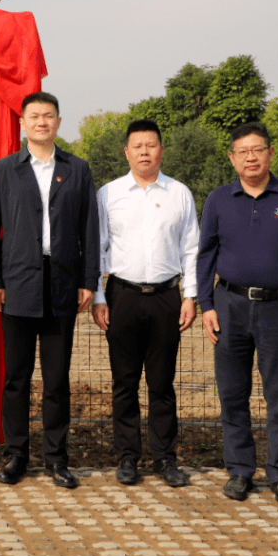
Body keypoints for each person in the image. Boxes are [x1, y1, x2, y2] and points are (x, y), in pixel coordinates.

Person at [198, 121, 278, 506]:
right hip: (229, 307)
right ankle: (239, 470)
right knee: (232, 395)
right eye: (242, 151)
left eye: (258, 149)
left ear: (271, 154)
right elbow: (205, 257)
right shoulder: (218, 200)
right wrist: (206, 305)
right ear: (232, 158)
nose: (251, 157)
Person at [0, 91, 99, 488]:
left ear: (58, 123)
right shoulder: (5, 170)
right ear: (23, 123)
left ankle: (56, 459)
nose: (41, 122)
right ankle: (16, 455)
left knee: (57, 378)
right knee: (16, 378)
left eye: (49, 116)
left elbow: (89, 231)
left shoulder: (77, 170)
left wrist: (89, 281)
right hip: (17, 285)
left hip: (63, 284)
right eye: (34, 116)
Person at [91, 120, 199, 488]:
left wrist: (190, 295)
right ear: (127, 152)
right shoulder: (108, 194)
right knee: (124, 382)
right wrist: (99, 295)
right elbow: (99, 248)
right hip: (122, 295)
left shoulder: (179, 193)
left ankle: (165, 458)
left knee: (162, 383)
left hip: (167, 297)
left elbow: (191, 248)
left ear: (161, 150)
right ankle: (127, 457)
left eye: (150, 145)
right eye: (137, 146)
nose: (144, 152)